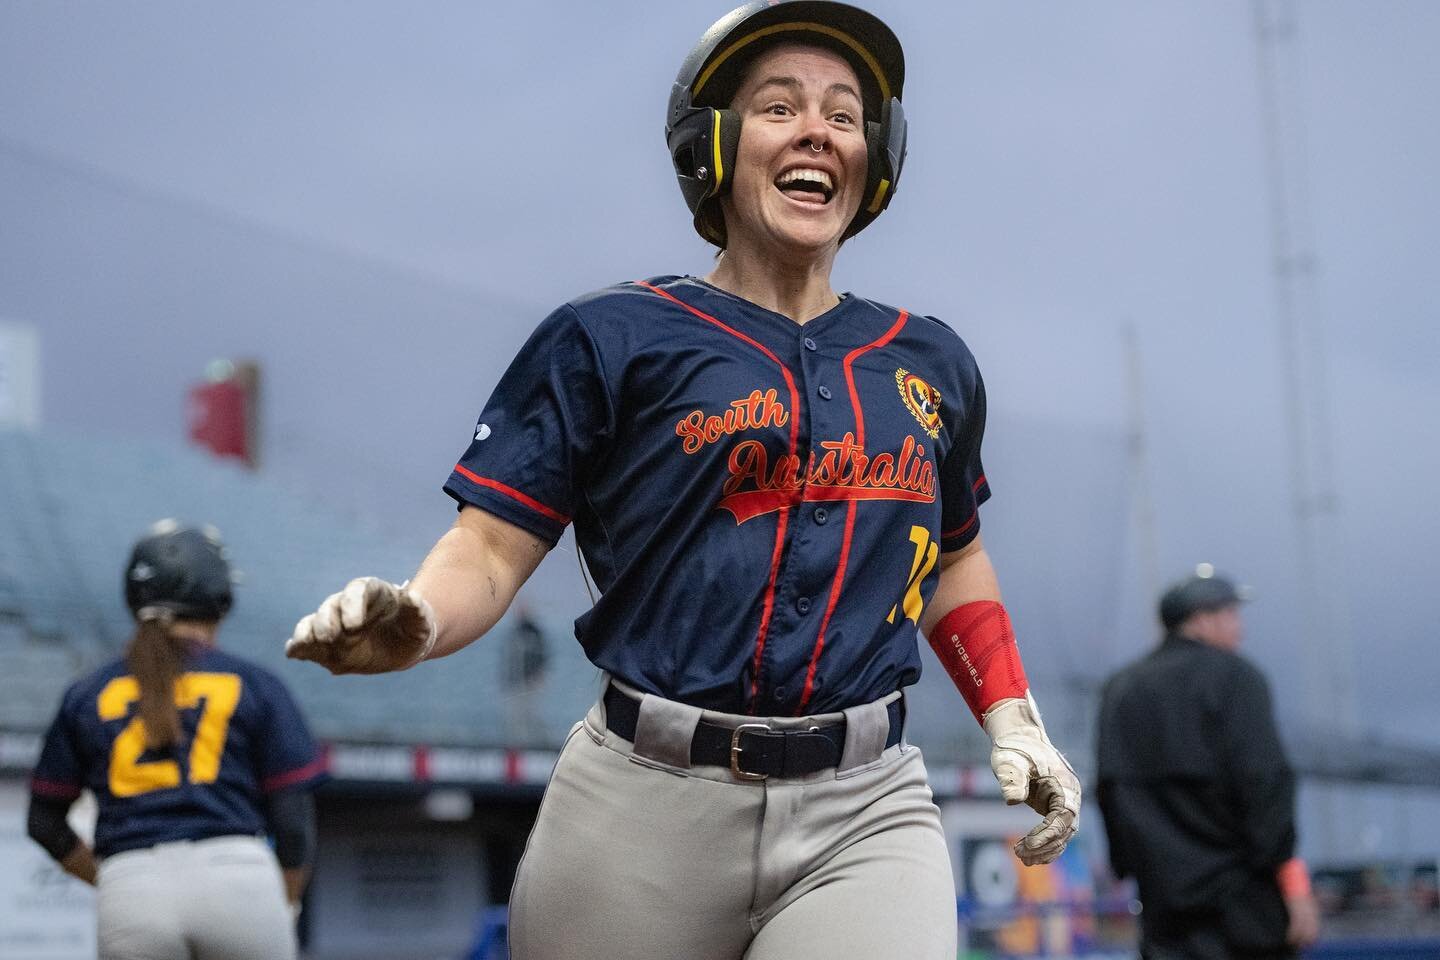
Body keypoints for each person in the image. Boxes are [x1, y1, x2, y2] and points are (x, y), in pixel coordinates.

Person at [287, 3, 1081, 958]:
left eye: (844, 113)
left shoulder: (930, 360)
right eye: (780, 106)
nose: (818, 132)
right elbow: (492, 548)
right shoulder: (613, 336)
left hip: (863, 802)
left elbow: (955, 559)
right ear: (714, 143)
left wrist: (1012, 714)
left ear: (878, 155)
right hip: (643, 797)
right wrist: (418, 619)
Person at [27, 520, 327, 960]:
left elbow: (43, 823)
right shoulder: (254, 684)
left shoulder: (88, 693)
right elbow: (293, 826)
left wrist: (116, 877)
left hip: (131, 887)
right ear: (219, 597)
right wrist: (284, 900)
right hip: (238, 880)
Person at [1096, 567, 1321, 960]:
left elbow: (1110, 791)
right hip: (1247, 911)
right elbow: (1265, 782)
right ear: (1202, 619)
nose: (1241, 629)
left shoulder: (1121, 689)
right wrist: (1291, 883)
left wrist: (1130, 868)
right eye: (1232, 614)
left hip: (1164, 915)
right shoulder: (1238, 678)